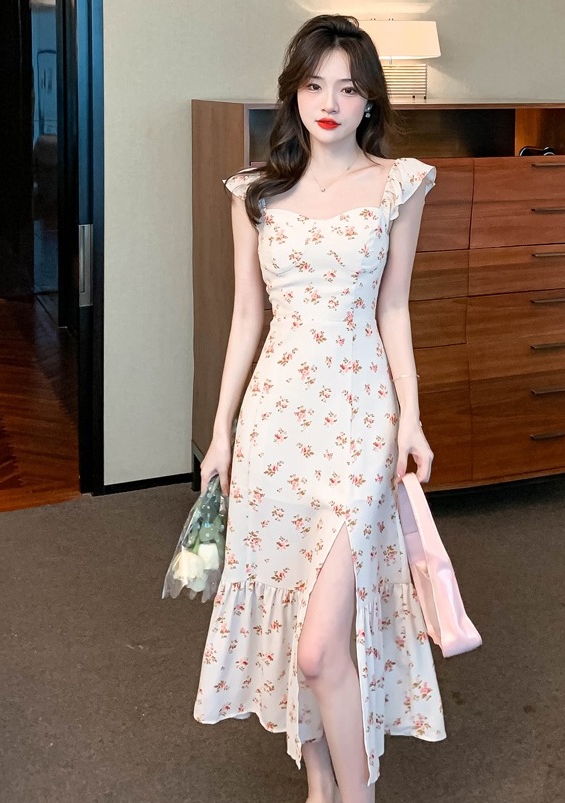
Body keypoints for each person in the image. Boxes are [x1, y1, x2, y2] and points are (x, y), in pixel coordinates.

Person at [195, 14, 446, 803]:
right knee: (292, 613)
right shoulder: (255, 193)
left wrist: (410, 417)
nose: (329, 103)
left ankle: (356, 794)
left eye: (348, 88)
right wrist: (221, 432)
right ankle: (319, 782)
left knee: (318, 647)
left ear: (371, 100)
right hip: (276, 424)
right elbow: (247, 316)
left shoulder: (401, 183)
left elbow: (394, 309)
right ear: (293, 92)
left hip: (359, 420)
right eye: (314, 85)